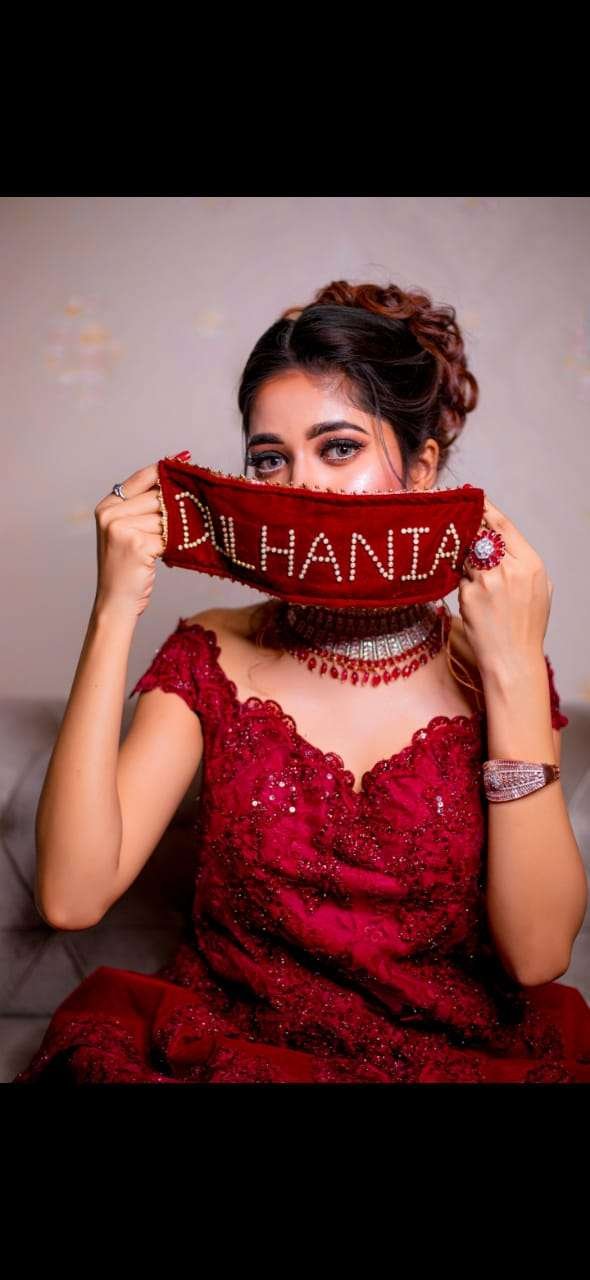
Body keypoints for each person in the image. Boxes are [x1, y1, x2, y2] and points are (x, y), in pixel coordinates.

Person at [12, 279, 590, 1084]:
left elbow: (538, 955)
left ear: (422, 469)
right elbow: (71, 899)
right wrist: (113, 609)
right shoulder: (211, 653)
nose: (300, 486)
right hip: (228, 1055)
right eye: (270, 458)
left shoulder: (494, 667)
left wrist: (516, 667)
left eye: (339, 448)